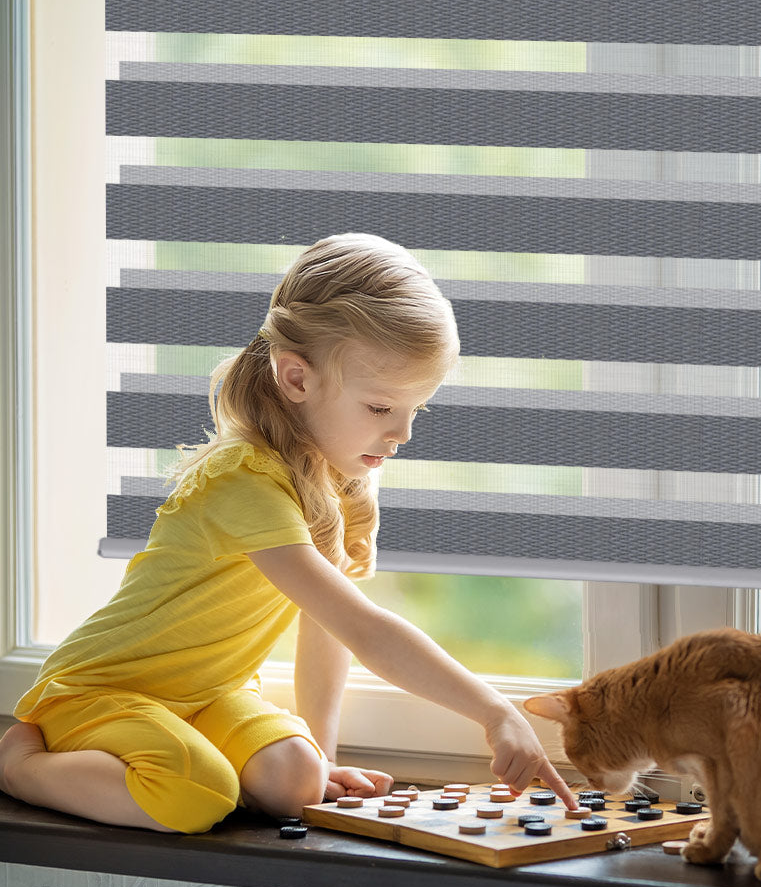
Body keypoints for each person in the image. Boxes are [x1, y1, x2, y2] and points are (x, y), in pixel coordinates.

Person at [0, 233, 575, 833]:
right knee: (194, 794)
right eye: (381, 409)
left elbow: (328, 632)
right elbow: (364, 627)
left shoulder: (341, 485)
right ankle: (21, 765)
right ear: (295, 378)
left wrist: (324, 758)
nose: (402, 433)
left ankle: (221, 761)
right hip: (101, 691)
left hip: (207, 697)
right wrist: (494, 711)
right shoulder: (243, 480)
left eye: (417, 410)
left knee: (298, 780)